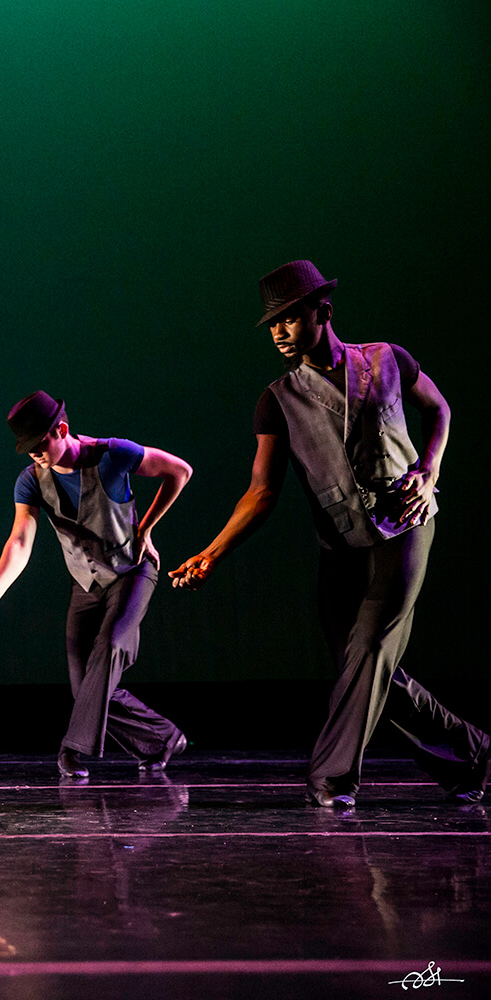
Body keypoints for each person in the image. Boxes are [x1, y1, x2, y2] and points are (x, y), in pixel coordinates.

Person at [170, 260, 489, 807]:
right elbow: (261, 491)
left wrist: (430, 469)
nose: (278, 331)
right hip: (340, 546)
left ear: (324, 311)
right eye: (272, 323)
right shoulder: (278, 399)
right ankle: (472, 751)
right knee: (361, 670)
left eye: (289, 318)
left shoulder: (387, 359)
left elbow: (438, 408)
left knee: (369, 648)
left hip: (405, 528)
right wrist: (212, 552)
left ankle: (332, 777)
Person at [0, 392, 191, 778]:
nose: (35, 454)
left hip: (131, 572)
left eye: (40, 445)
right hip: (85, 585)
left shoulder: (112, 454)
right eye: (28, 449)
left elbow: (179, 470)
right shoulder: (30, 481)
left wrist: (146, 526)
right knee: (85, 686)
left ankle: (71, 749)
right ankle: (161, 738)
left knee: (111, 646)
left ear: (62, 430)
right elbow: (20, 539)